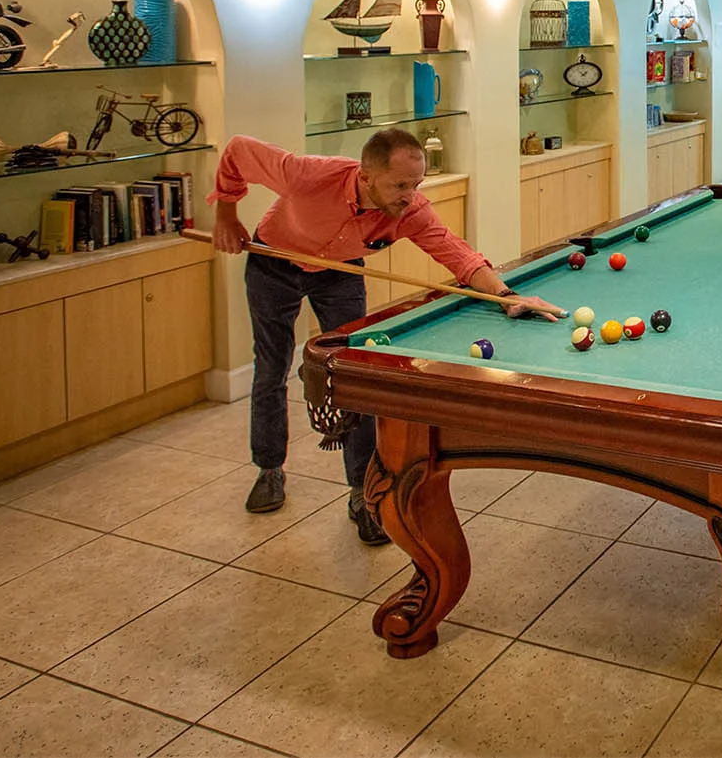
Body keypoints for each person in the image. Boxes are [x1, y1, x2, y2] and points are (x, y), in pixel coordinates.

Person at [209, 128, 561, 544]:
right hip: (275, 264)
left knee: (358, 377)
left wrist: (505, 295)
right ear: (365, 178)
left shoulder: (411, 209)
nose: (409, 195)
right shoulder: (306, 175)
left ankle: (363, 494)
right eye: (399, 185)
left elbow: (455, 252)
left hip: (340, 272)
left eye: (416, 184)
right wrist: (226, 216)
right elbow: (237, 152)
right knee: (271, 366)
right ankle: (269, 468)